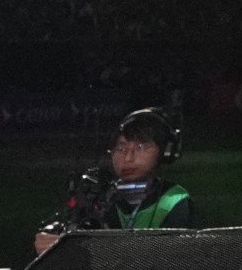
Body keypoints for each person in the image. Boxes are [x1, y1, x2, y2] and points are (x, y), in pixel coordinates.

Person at [35, 106, 193, 254]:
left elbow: (172, 259)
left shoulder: (174, 200)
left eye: (141, 147)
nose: (128, 157)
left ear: (165, 153)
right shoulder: (100, 194)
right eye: (121, 148)